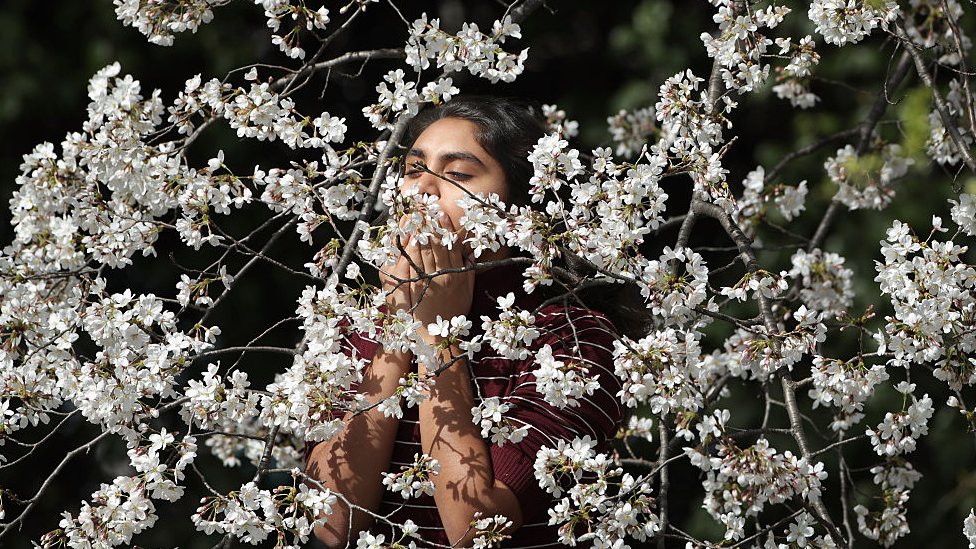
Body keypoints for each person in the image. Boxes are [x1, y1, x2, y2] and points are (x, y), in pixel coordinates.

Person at [305, 96, 625, 548]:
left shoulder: (571, 342)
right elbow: (333, 523)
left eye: (457, 174)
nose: (424, 190)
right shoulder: (356, 324)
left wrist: (439, 338)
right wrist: (400, 327)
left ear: (521, 208)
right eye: (414, 169)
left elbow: (476, 530)